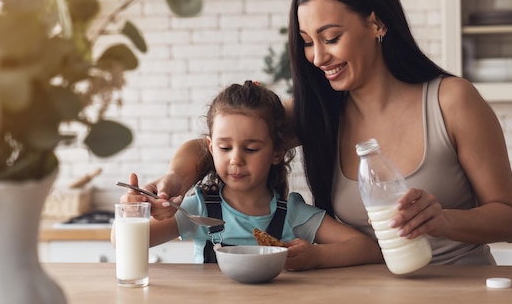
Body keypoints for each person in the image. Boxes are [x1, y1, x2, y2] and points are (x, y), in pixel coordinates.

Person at [144, 0, 512, 266]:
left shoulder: (451, 101)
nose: (318, 57)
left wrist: (444, 220)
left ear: (376, 24)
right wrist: (176, 177)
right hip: (367, 292)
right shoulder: (319, 113)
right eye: (308, 42)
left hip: (460, 290)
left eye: (331, 38)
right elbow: (214, 145)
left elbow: (508, 219)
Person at [112, 80, 383, 270]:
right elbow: (123, 243)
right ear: (210, 148)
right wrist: (132, 212)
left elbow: (368, 248)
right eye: (224, 147)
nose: (236, 159)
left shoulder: (293, 214)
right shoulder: (197, 208)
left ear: (277, 152)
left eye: (251, 148)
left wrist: (316, 256)